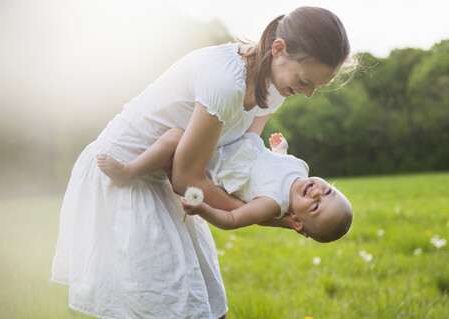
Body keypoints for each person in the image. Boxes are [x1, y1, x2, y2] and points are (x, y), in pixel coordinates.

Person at [52, 6, 353, 319]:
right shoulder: (227, 82)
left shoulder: (276, 87)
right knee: (162, 307)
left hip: (170, 183)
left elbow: (242, 152)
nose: (307, 95)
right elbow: (185, 178)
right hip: (128, 176)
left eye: (317, 86)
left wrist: (285, 210)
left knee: (205, 306)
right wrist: (278, 216)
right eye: (305, 81)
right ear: (279, 49)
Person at [97, 130, 352, 243]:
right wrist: (280, 148)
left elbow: (232, 219)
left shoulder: (270, 204)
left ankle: (127, 171)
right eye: (328, 191)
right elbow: (279, 163)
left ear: (296, 222)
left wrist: (203, 210)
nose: (318, 192)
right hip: (230, 139)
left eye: (316, 206)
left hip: (211, 161)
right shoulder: (301, 167)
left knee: (175, 137)